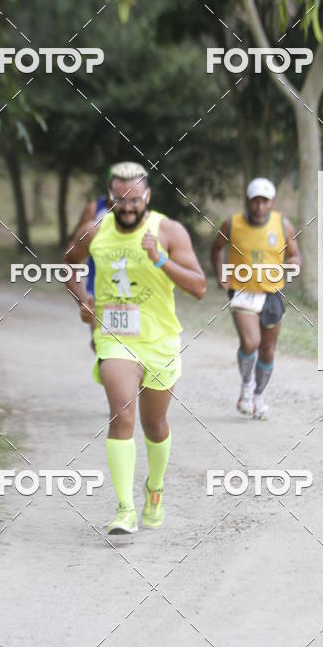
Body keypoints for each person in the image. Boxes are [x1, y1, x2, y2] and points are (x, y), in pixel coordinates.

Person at [65, 161, 206, 534]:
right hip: (115, 338)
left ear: (147, 197)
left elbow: (198, 287)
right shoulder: (94, 230)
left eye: (134, 200)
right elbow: (70, 264)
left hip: (159, 341)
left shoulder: (169, 231)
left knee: (154, 424)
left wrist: (160, 258)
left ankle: (154, 488)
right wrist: (82, 297)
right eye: (118, 200)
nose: (126, 208)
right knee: (121, 414)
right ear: (109, 197)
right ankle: (125, 508)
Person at [210, 177, 301, 419]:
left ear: (272, 203)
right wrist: (221, 273)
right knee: (251, 342)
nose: (259, 207)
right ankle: (247, 386)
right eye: (255, 202)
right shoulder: (232, 224)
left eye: (264, 202)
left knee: (268, 350)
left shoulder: (283, 225)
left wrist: (291, 267)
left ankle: (259, 395)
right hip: (243, 292)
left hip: (272, 294)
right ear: (247, 202)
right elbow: (216, 248)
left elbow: (294, 255)